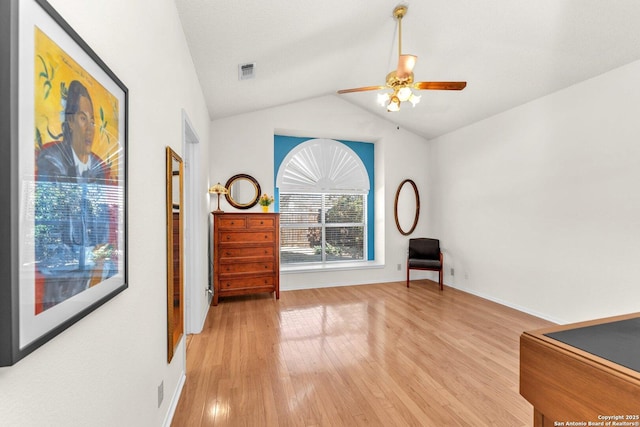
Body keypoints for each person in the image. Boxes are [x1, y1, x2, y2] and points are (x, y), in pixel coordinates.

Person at [35, 80, 111, 310]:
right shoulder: (52, 165)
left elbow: (105, 238)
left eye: (93, 121)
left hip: (100, 287)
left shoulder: (97, 170)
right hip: (62, 298)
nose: (90, 128)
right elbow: (47, 253)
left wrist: (101, 271)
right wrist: (93, 259)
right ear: (69, 122)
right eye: (82, 118)